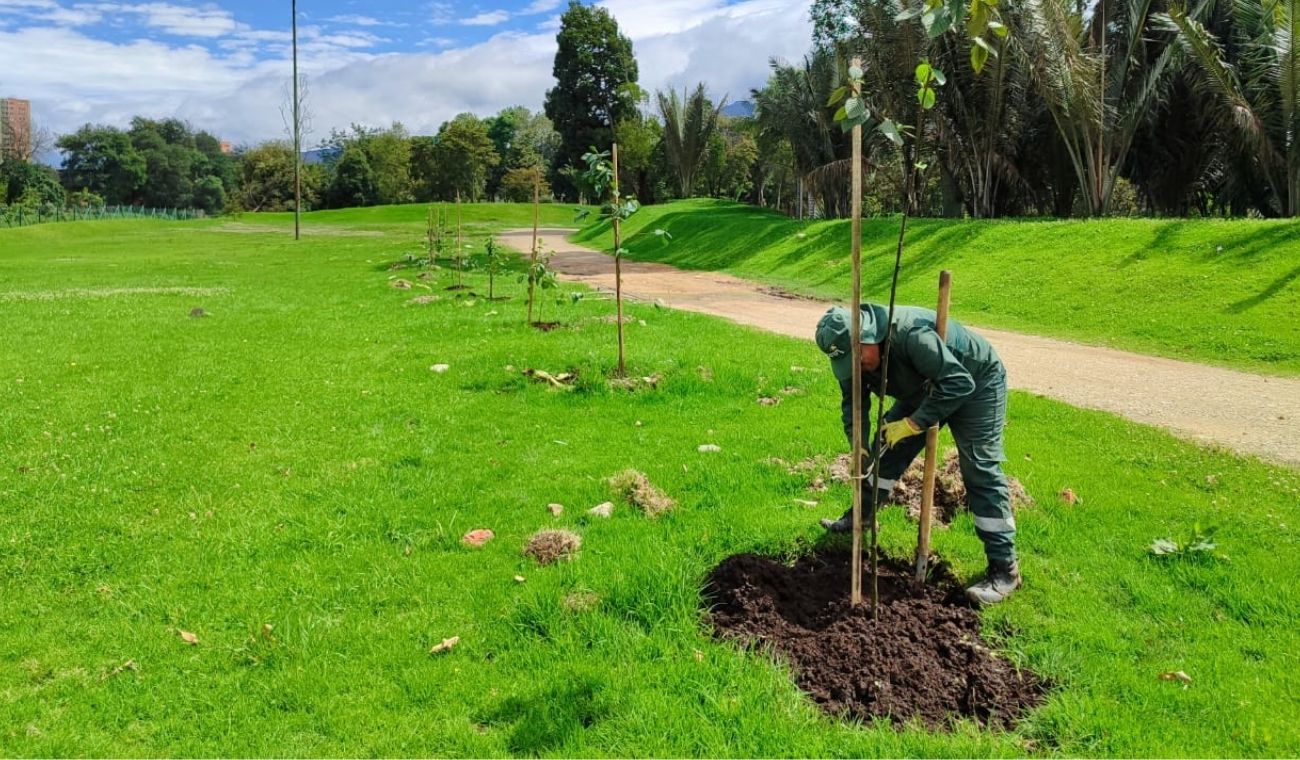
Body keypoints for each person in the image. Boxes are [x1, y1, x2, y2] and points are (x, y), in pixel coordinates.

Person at [814, 303, 1021, 605]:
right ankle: (861, 517)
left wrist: (913, 423)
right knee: (885, 446)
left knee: (979, 467)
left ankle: (1005, 570)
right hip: (926, 386)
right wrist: (857, 443)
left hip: (975, 383)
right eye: (847, 363)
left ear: (869, 336)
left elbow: (959, 383)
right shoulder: (851, 355)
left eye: (858, 358)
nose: (855, 367)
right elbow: (854, 402)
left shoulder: (911, 336)